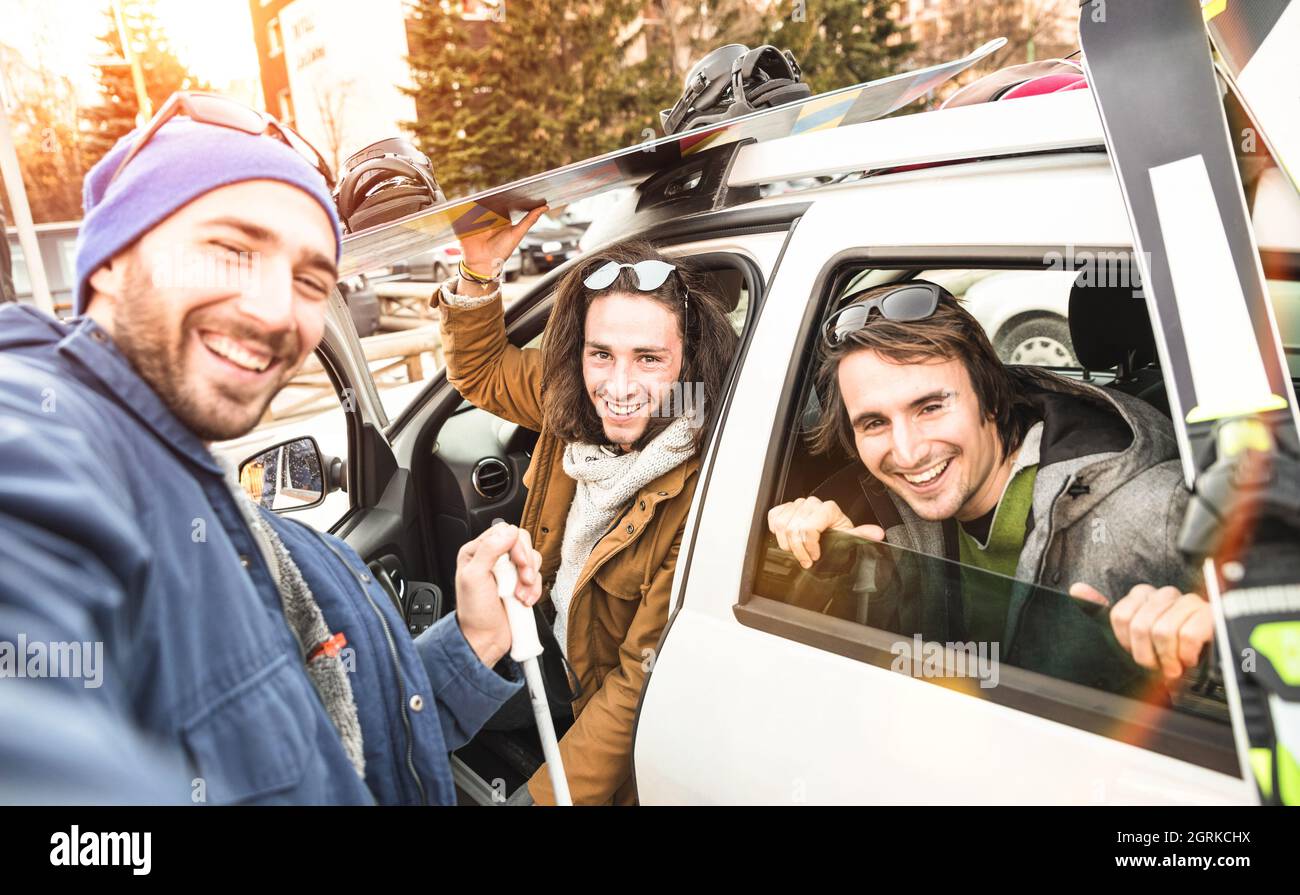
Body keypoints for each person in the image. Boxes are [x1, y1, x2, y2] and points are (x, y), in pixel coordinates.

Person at [0, 93, 543, 805]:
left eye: (310, 279)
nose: (271, 307)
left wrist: (474, 637)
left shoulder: (256, 527)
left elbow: (348, 742)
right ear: (107, 260)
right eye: (230, 251)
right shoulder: (42, 442)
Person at [768, 281, 1214, 683]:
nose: (907, 452)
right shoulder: (870, 507)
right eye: (874, 423)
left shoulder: (1158, 508)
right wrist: (829, 562)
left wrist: (1209, 648)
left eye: (930, 407)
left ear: (992, 398)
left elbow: (1268, 664)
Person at [436, 229, 739, 804]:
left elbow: (634, 687)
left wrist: (545, 799)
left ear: (689, 362)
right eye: (601, 353)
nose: (618, 387)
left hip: (593, 693)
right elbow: (480, 371)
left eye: (649, 359)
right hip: (542, 638)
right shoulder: (571, 399)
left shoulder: (705, 487)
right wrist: (477, 271)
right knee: (410, 692)